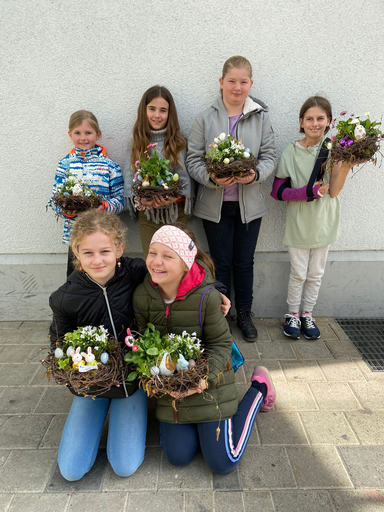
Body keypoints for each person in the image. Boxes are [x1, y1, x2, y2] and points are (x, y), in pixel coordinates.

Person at [133, 224, 276, 474]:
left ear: (186, 264)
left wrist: (202, 379)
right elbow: (141, 343)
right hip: (172, 387)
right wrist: (152, 373)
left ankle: (259, 388)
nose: (156, 262)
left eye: (167, 256)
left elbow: (221, 344)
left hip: (209, 380)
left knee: (223, 462)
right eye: (152, 253)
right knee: (178, 457)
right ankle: (202, 430)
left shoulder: (207, 298)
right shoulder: (141, 296)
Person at [49, 210, 148, 481]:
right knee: (70, 470)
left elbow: (180, 275)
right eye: (88, 253)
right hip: (93, 385)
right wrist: (78, 378)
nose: (97, 260)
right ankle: (98, 409)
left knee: (124, 466)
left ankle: (129, 412)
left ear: (119, 249)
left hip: (131, 382)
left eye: (104, 251)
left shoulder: (135, 271)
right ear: (76, 255)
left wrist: (218, 290)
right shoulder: (64, 297)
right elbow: (58, 342)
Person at [187, 56, 276, 342]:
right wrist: (212, 179)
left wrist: (256, 175)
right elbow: (193, 160)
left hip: (249, 206)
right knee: (220, 263)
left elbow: (269, 156)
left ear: (251, 84)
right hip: (215, 206)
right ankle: (220, 317)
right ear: (221, 82)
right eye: (232, 81)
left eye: (243, 82)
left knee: (244, 263)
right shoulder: (205, 118)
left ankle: (245, 314)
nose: (237, 87)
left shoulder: (260, 117)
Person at [270, 96, 359, 340]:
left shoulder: (334, 150)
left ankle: (308, 313)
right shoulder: (290, 151)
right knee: (298, 272)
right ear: (301, 121)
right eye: (309, 118)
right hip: (299, 223)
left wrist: (348, 164)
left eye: (320, 118)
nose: (315, 123)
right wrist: (307, 192)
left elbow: (335, 191)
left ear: (329, 121)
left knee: (316, 273)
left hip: (325, 222)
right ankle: (292, 314)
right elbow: (277, 192)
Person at [49, 110, 124, 277]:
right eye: (77, 133)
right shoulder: (65, 165)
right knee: (75, 280)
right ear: (70, 134)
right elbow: (55, 199)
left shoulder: (109, 166)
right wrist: (66, 212)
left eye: (88, 133)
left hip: (104, 237)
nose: (83, 138)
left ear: (98, 135)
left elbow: (121, 200)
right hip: (76, 237)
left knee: (104, 278)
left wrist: (104, 207)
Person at [124, 86, 193, 256]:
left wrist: (172, 197)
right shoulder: (137, 143)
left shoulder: (179, 142)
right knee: (153, 262)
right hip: (148, 216)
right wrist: (142, 201)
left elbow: (185, 180)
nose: (157, 115)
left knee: (177, 261)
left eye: (163, 110)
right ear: (144, 110)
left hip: (176, 213)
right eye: (152, 109)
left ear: (170, 114)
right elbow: (129, 178)